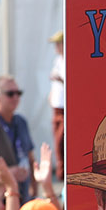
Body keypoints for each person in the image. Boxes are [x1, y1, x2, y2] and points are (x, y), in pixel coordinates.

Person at [46, 31, 64, 176]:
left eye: (58, 44)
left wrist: (60, 80)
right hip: (57, 105)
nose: (56, 47)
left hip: (65, 107)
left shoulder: (69, 60)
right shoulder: (58, 60)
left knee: (61, 141)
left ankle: (62, 172)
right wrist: (51, 94)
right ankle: (61, 171)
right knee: (57, 141)